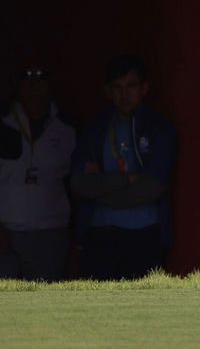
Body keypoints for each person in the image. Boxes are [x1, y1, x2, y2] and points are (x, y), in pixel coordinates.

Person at [70, 53, 176, 280]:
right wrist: (127, 179)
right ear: (107, 91)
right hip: (100, 233)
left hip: (145, 235)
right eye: (117, 87)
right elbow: (79, 182)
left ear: (144, 88)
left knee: (141, 311)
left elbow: (153, 186)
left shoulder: (158, 128)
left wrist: (101, 189)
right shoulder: (95, 129)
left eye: (131, 86)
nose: (124, 95)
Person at [0, 65, 76, 281]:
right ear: (17, 83)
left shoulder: (69, 127)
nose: (34, 83)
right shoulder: (2, 121)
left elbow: (79, 186)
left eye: (41, 75)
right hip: (5, 234)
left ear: (51, 82)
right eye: (26, 76)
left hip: (51, 238)